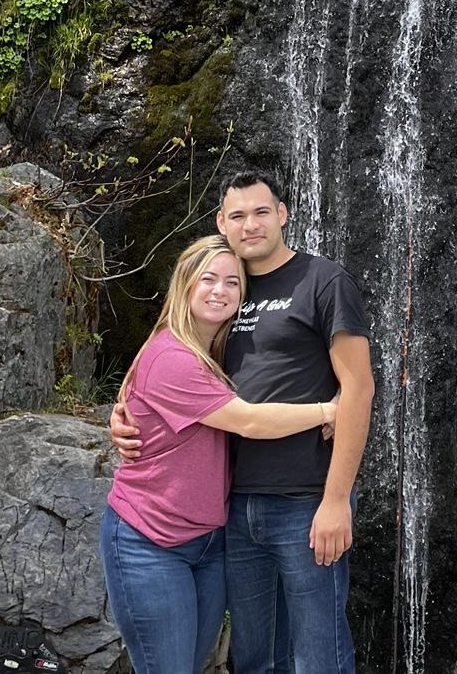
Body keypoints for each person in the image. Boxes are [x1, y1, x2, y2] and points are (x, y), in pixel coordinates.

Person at [112, 173, 375, 674]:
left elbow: (359, 388)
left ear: (282, 214)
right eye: (237, 215)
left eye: (260, 212)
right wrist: (125, 408)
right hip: (234, 508)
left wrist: (337, 499)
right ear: (221, 223)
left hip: (306, 501)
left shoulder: (323, 281)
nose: (250, 225)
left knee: (318, 654)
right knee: (255, 658)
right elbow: (173, 361)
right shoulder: (225, 290)